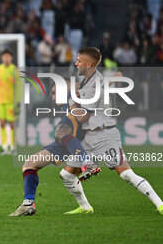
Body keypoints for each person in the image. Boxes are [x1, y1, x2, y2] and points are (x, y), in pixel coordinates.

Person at [62, 47, 163, 215]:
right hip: (89, 138)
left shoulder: (94, 85)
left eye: (79, 61)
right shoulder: (92, 80)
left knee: (126, 174)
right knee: (66, 175)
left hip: (105, 136)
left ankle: (160, 204)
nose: (76, 63)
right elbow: (113, 78)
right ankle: (86, 208)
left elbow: (83, 118)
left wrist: (72, 103)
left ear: (89, 64)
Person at [9, 78, 100, 217]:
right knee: (30, 165)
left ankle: (87, 162)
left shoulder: (74, 95)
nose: (52, 97)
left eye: (54, 93)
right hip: (66, 143)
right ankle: (28, 204)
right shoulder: (67, 104)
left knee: (60, 133)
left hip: (80, 141)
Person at [0, 49, 21, 155]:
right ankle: (4, 147)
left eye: (8, 56)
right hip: (0, 101)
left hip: (11, 101)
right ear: (1, 58)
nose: (6, 58)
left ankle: (13, 146)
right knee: (1, 123)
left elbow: (19, 86)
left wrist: (18, 100)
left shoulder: (14, 70)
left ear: (11, 58)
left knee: (11, 124)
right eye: (4, 56)